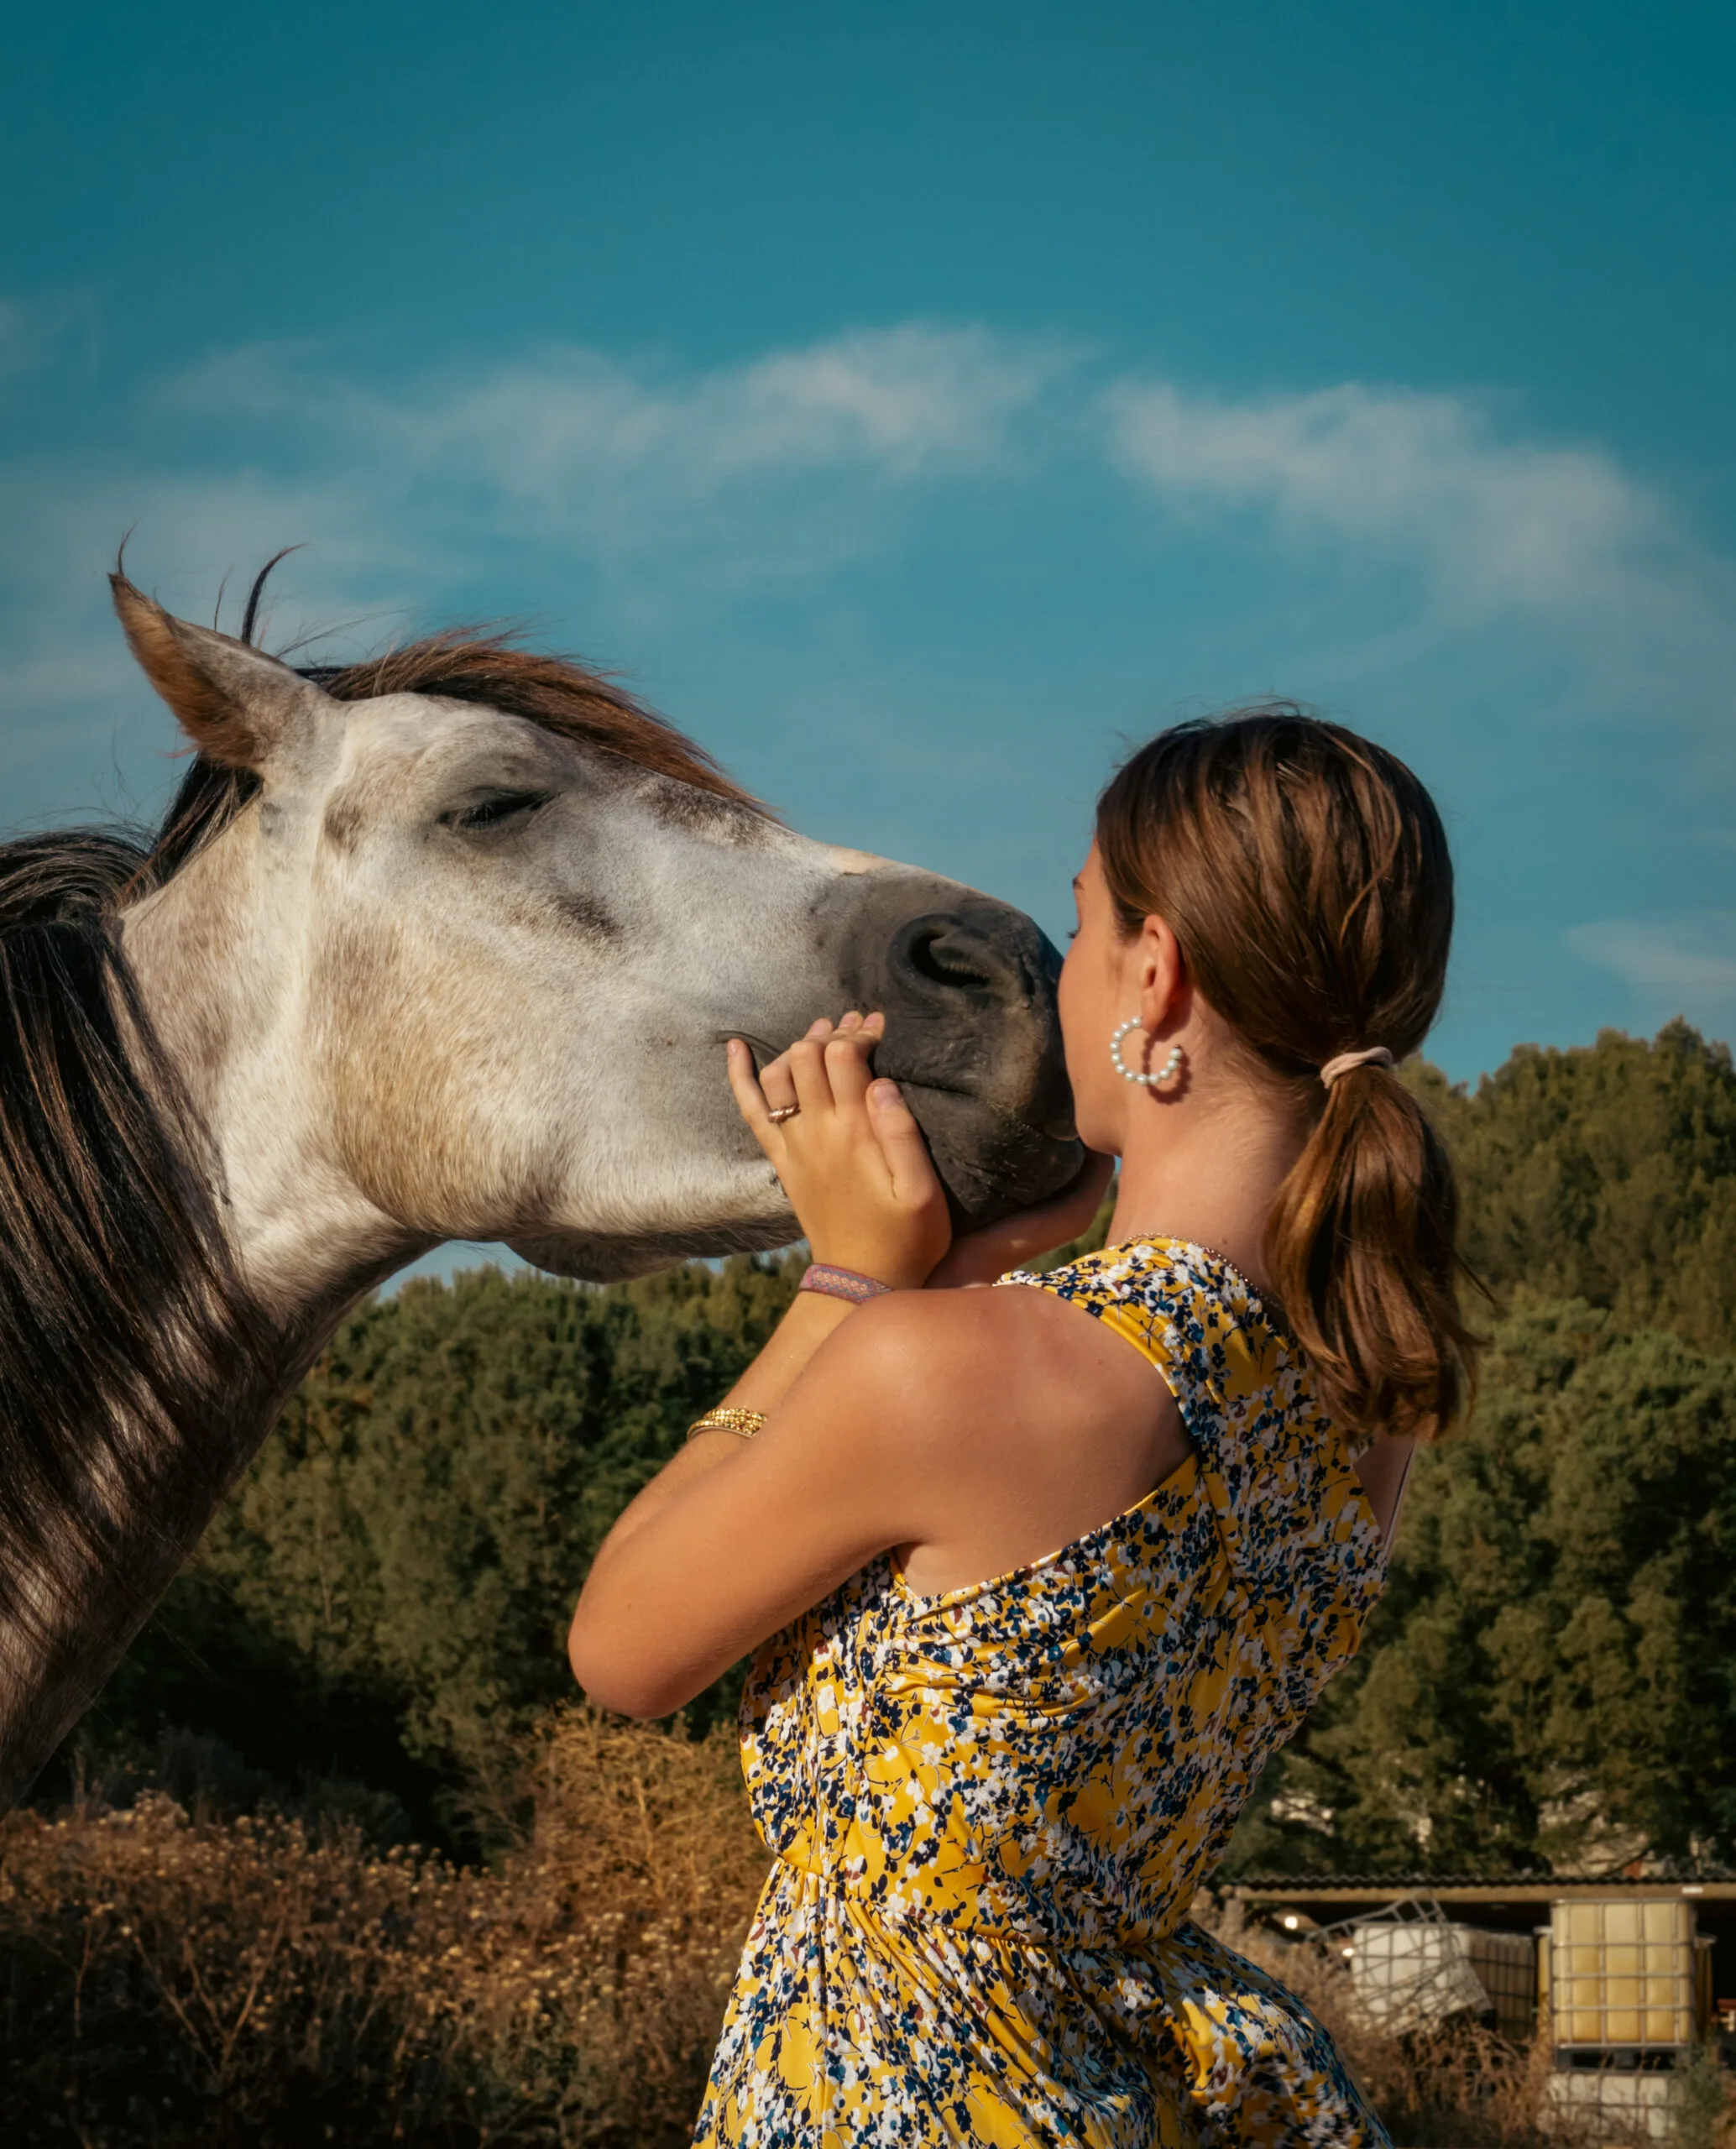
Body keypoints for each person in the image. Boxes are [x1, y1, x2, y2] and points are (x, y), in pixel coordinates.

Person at [568, 708, 1476, 2148]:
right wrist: (977, 1282)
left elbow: (621, 1648)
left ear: (1158, 977)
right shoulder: (1361, 1412)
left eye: (1083, 937)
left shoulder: (953, 1373)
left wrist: (846, 1283)